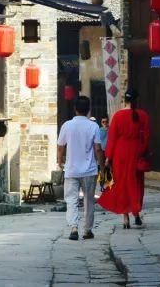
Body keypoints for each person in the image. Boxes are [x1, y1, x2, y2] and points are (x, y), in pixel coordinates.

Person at [97, 88, 150, 229]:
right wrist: (142, 152)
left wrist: (108, 157)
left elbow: (112, 139)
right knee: (136, 184)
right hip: (136, 153)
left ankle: (125, 217)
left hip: (120, 155)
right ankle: (136, 212)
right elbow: (146, 138)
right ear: (137, 100)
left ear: (124, 100)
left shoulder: (118, 116)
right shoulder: (143, 115)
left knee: (122, 185)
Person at [57, 94, 104, 241]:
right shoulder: (93, 126)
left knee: (71, 199)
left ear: (75, 109)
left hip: (71, 169)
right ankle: (87, 230)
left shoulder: (67, 125)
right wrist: (102, 168)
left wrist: (60, 161)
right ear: (88, 109)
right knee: (89, 200)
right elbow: (98, 149)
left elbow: (60, 146)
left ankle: (74, 227)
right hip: (89, 170)